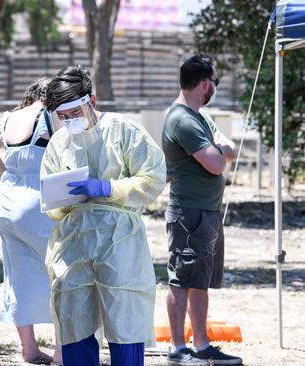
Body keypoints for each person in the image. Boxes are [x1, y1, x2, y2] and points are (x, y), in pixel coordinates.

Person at [40, 65, 166, 366]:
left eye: (74, 113)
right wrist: (64, 199)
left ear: (91, 102)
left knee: (124, 318)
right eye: (63, 117)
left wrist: (107, 187)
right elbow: (51, 201)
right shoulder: (59, 143)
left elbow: (152, 179)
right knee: (74, 320)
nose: (70, 121)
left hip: (119, 242)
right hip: (73, 244)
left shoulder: (124, 130)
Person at [163, 54, 241, 366]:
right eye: (215, 82)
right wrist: (221, 151)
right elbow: (215, 162)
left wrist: (221, 151)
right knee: (182, 279)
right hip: (190, 213)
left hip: (204, 212)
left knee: (199, 281)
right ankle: (179, 349)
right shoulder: (183, 119)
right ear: (205, 83)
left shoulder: (199, 117)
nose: (215, 88)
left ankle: (201, 345)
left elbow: (227, 151)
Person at [0, 78, 61, 364]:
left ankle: (29, 348)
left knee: (18, 277)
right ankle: (63, 352)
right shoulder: (50, 117)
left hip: (9, 208)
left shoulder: (9, 118)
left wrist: (7, 176)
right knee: (60, 277)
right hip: (41, 205)